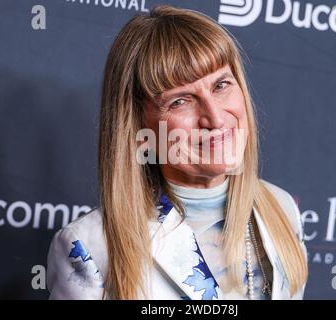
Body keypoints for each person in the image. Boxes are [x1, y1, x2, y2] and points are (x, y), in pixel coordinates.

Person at [46, 4, 308, 300]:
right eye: (179, 101)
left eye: (221, 85)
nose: (216, 118)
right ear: (136, 128)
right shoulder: (90, 247)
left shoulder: (282, 209)